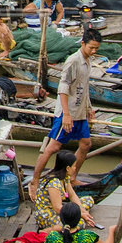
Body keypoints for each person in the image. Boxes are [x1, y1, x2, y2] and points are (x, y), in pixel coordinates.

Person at [28, 29, 100, 200]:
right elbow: (63, 88)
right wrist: (66, 115)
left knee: (86, 144)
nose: (94, 51)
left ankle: (72, 177)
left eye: (96, 48)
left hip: (80, 112)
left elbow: (85, 87)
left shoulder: (87, 61)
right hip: (67, 113)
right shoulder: (73, 61)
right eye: (91, 48)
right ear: (83, 43)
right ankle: (35, 180)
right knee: (53, 147)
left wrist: (89, 108)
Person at [33, 149, 95, 231]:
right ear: (68, 168)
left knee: (88, 200)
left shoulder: (65, 177)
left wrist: (83, 211)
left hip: (60, 210)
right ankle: (49, 230)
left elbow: (72, 195)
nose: (75, 168)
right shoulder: (53, 183)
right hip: (47, 215)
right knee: (80, 223)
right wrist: (80, 215)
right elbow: (58, 208)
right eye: (74, 166)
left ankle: (78, 216)